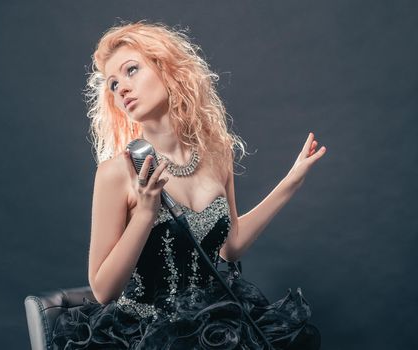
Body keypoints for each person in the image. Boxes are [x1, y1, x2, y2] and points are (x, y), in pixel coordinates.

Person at [52, 20, 326, 350]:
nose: (121, 88)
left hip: (217, 322)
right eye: (112, 84)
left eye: (131, 70)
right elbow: (102, 290)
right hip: (148, 332)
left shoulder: (217, 153)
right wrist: (144, 215)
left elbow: (231, 246)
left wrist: (291, 181)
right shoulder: (117, 173)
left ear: (166, 69)